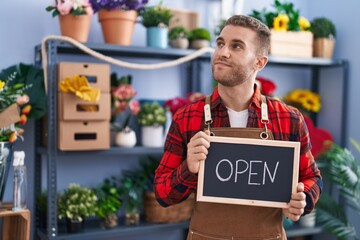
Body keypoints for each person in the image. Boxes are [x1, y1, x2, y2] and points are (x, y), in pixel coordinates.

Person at [154, 15, 322, 240]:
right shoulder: (187, 117)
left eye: (237, 46)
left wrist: (302, 200)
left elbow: (312, 177)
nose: (222, 52)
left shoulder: (288, 118)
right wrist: (189, 167)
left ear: (259, 63)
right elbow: (163, 194)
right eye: (221, 43)